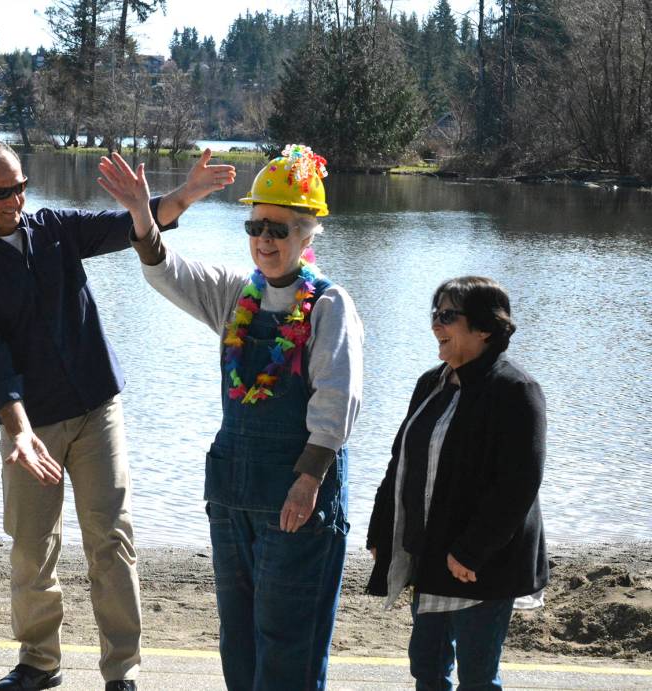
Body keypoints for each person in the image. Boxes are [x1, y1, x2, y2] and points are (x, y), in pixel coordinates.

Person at [0, 141, 235, 691]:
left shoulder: (53, 227)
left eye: (21, 186)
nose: (16, 199)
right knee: (32, 546)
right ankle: (39, 661)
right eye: (2, 192)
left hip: (98, 407)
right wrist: (20, 434)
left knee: (112, 538)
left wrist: (187, 195)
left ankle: (122, 669)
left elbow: (132, 226)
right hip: (32, 427)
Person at [97, 145, 363, 690]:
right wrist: (143, 217)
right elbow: (166, 271)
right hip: (233, 493)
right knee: (238, 638)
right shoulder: (234, 295)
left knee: (288, 640)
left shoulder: (329, 306)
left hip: (295, 496)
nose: (264, 239)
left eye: (280, 229)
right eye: (256, 225)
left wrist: (309, 478)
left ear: (309, 233)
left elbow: (337, 398)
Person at [365, 276, 548, 690]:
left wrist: (471, 551)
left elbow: (519, 483)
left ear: (485, 327)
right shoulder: (432, 383)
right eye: (434, 315)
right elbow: (401, 462)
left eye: (447, 316)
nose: (435, 326)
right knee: (427, 670)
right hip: (430, 554)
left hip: (481, 565)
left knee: (478, 679)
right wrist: (382, 530)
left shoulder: (516, 390)